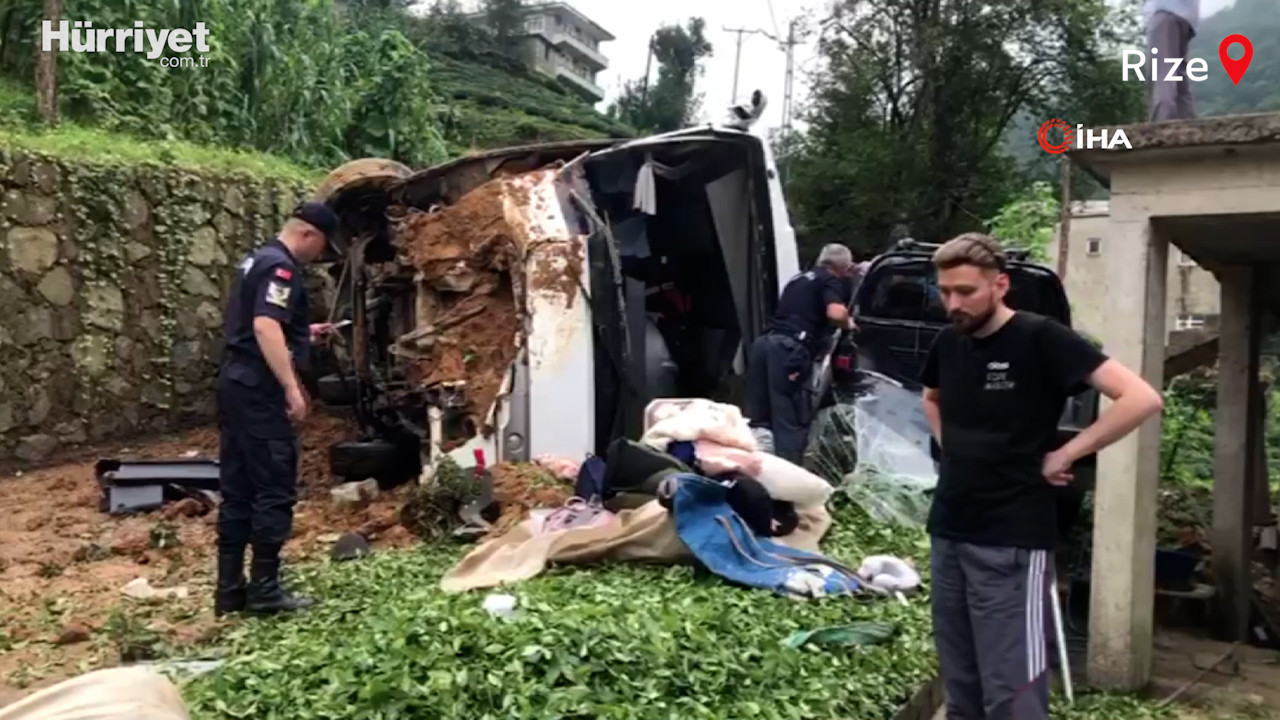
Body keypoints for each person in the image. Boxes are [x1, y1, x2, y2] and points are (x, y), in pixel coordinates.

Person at [920, 234, 1164, 720]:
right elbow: (931, 396)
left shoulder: (1040, 337)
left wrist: (1067, 453)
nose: (954, 304)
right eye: (945, 291)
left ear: (1000, 285)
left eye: (966, 291)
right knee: (961, 686)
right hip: (949, 529)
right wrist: (954, 448)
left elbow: (1141, 398)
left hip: (1011, 538)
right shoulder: (949, 342)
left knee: (1012, 691)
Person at [214, 201, 341, 617]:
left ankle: (229, 590)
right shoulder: (282, 269)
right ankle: (265, 591)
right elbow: (264, 325)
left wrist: (304, 332)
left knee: (238, 488)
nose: (319, 256)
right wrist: (291, 387)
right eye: (322, 246)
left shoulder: (256, 260)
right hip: (259, 389)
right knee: (274, 486)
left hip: (235, 382)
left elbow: (262, 321)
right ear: (308, 234)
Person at [746, 243, 858, 464]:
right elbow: (836, 313)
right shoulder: (828, 279)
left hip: (764, 345)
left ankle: (755, 469)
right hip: (787, 352)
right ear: (843, 267)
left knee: (760, 420)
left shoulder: (798, 279)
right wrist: (849, 324)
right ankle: (788, 476)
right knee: (790, 420)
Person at [1145, 0, 1199, 121]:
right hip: (1186, 16)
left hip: (1165, 10)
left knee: (1162, 73)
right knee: (1179, 76)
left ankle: (1163, 122)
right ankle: (1188, 122)